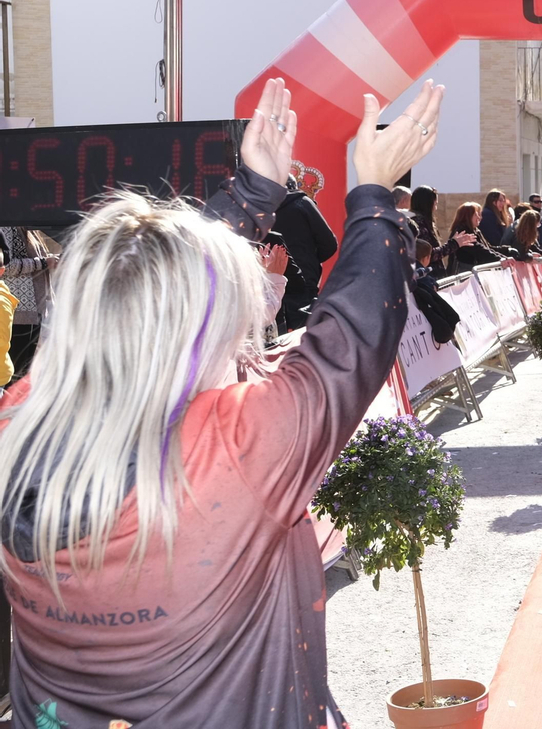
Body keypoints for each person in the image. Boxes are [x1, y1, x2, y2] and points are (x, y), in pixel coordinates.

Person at [0, 77, 443, 726]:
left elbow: (144, 284)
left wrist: (253, 192)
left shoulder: (20, 416)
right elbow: (354, 337)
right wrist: (375, 195)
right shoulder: (234, 447)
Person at [0, 228, 59, 381]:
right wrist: (44, 262)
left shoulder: (29, 229)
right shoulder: (7, 226)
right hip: (18, 312)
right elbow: (6, 266)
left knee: (23, 374)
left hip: (32, 311)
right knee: (15, 375)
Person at [273, 173, 339, 296]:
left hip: (271, 280)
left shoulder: (260, 209)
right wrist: (308, 258)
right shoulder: (302, 203)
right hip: (304, 279)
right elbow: (329, 244)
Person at [442, 202, 509, 274]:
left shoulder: (475, 230)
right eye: (476, 214)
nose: (480, 217)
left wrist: (506, 251)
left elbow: (488, 248)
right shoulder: (463, 232)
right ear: (468, 216)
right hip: (463, 273)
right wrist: (501, 259)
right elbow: (479, 251)